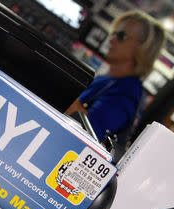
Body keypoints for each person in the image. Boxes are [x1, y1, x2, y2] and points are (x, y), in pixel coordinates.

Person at [65, 11, 165, 143]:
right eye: (113, 33)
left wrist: (62, 87)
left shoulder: (128, 91)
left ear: (142, 48)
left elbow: (89, 135)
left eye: (121, 36)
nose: (111, 39)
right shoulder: (107, 80)